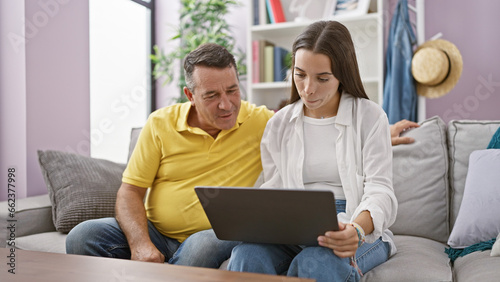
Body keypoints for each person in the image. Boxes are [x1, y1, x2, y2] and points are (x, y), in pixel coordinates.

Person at [66, 43, 274, 268]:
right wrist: (141, 245)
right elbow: (130, 192)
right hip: (157, 232)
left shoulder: (263, 121)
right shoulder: (160, 123)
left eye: (232, 90)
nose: (226, 104)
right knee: (82, 235)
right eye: (211, 95)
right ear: (190, 95)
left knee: (201, 247)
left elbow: (307, 122)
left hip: (215, 234)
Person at [227, 21, 399, 281]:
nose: (308, 88)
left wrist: (355, 231)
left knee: (314, 262)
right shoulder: (279, 124)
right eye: (300, 74)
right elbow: (274, 190)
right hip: (294, 224)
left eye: (322, 78)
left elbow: (380, 190)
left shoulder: (370, 116)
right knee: (245, 255)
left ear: (342, 74)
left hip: (354, 221)